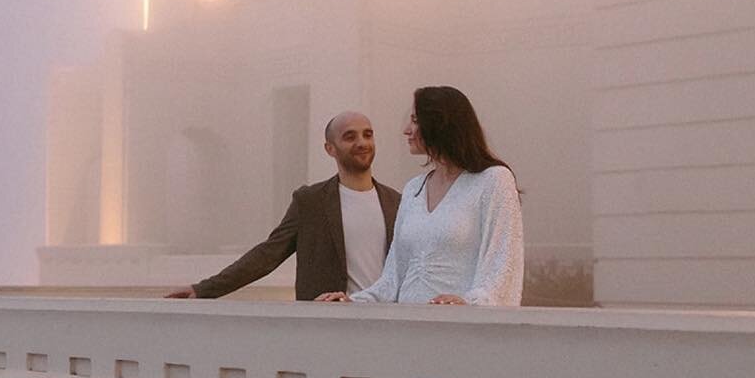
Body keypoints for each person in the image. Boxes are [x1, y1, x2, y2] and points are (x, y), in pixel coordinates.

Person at [318, 86, 522, 306]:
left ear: (440, 123)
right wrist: (351, 301)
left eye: (415, 120)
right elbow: (393, 278)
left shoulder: (493, 180)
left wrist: (468, 302)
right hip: (408, 328)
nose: (407, 130)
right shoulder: (413, 189)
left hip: (460, 329)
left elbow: (503, 265)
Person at [165, 110, 401, 300]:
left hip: (385, 326)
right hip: (325, 328)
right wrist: (204, 289)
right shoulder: (311, 201)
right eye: (350, 137)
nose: (362, 142)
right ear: (330, 149)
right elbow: (268, 254)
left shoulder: (397, 202)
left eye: (367, 135)